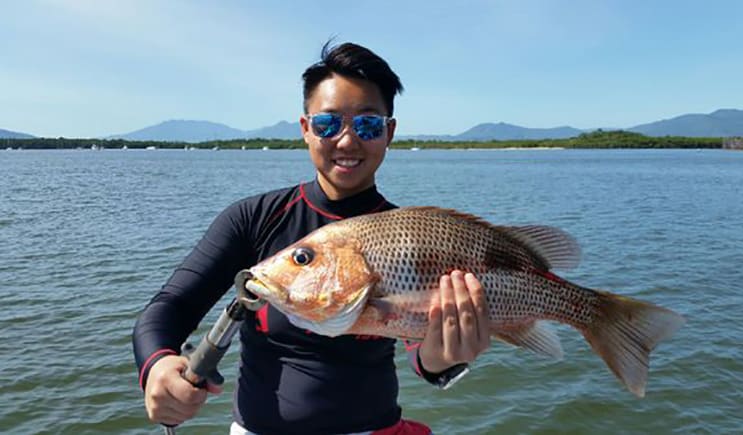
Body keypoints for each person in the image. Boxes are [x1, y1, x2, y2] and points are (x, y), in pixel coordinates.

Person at [133, 41, 491, 435]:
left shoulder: (408, 234)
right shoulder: (255, 219)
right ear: (306, 130)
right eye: (328, 124)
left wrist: (444, 358)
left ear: (389, 133)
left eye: (368, 125)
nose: (347, 141)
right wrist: (158, 365)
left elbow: (424, 358)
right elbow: (171, 306)